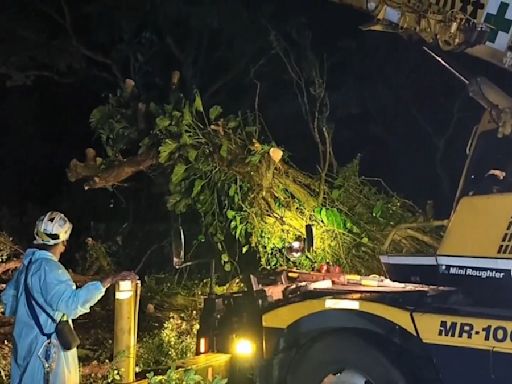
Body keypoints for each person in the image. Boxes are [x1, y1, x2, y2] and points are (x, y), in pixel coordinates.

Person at [0, 211, 138, 384]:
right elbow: (72, 304)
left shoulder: (26, 267)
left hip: (25, 348)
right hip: (46, 355)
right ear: (63, 242)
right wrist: (107, 280)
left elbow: (9, 302)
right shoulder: (51, 269)